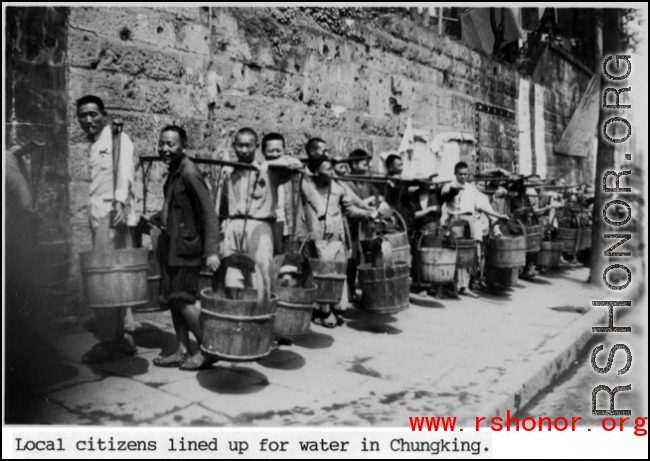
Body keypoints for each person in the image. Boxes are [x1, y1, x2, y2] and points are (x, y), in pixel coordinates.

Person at [148, 126, 220, 371]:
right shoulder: (174, 173)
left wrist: (211, 250)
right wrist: (156, 218)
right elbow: (176, 209)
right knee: (173, 298)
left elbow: (209, 213)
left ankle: (209, 348)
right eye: (162, 143)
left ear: (183, 147)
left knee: (182, 298)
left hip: (187, 248)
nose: (165, 149)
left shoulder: (190, 172)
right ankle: (181, 350)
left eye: (171, 144)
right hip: (172, 245)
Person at [77, 95, 139, 364]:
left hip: (112, 216)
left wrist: (119, 205)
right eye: (82, 115)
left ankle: (111, 340)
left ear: (104, 114)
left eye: (93, 114)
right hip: (98, 217)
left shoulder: (117, 138)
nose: (88, 120)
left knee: (109, 279)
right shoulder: (92, 145)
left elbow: (124, 172)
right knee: (112, 276)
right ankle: (123, 336)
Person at [219, 128, 304, 292]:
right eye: (240, 145)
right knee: (231, 275)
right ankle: (236, 314)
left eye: (248, 146)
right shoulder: (230, 171)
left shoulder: (269, 171)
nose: (244, 150)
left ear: (256, 146)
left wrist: (268, 163)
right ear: (234, 146)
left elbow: (297, 164)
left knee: (259, 275)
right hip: (233, 226)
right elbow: (223, 205)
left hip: (258, 226)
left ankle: (259, 314)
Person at [305, 157, 377, 327]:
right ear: (315, 171)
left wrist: (368, 214)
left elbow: (350, 209)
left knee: (336, 272)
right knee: (319, 272)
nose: (331, 172)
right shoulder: (307, 189)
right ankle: (323, 311)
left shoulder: (337, 188)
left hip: (335, 235)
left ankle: (336, 307)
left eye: (332, 169)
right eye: (327, 169)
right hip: (315, 236)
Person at [441, 162, 507, 298]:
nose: (463, 177)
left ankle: (465, 286)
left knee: (468, 254)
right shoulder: (449, 185)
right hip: (456, 220)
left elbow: (482, 206)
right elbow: (446, 194)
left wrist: (498, 215)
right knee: (455, 252)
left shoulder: (471, 189)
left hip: (469, 220)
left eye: (465, 174)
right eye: (460, 174)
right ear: (455, 173)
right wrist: (454, 189)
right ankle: (454, 286)